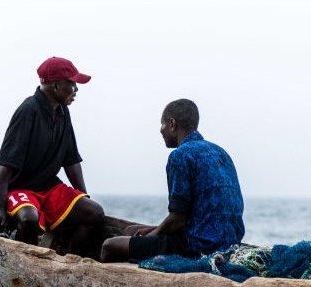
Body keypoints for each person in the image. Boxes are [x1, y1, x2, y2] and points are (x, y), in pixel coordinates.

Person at [100, 99, 244, 262]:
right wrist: (155, 229)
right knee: (132, 230)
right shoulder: (221, 153)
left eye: (162, 125)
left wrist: (152, 235)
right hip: (230, 244)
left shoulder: (180, 156)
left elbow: (178, 219)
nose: (161, 130)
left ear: (172, 124)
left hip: (197, 247)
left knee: (109, 246)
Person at [0, 57, 105, 255]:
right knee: (28, 219)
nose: (76, 90)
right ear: (55, 85)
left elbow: (72, 161)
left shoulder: (63, 112)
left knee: (93, 213)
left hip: (48, 186)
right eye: (72, 84)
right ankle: (28, 266)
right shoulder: (28, 110)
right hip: (18, 187)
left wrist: (82, 196)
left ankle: (69, 266)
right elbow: (4, 165)